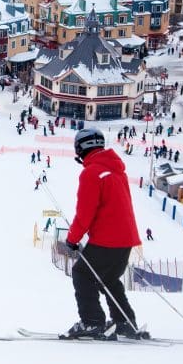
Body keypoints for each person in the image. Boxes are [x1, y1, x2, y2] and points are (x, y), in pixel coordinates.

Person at [64, 128, 146, 340]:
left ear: (81, 148)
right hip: (126, 238)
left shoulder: (91, 173)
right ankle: (125, 322)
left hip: (107, 239)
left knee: (82, 274)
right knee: (108, 279)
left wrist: (72, 239)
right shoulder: (116, 170)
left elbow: (85, 213)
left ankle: (92, 322)